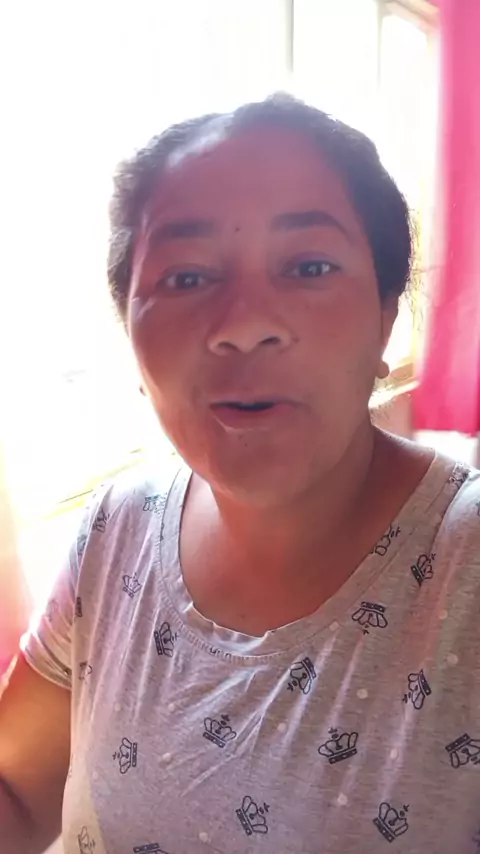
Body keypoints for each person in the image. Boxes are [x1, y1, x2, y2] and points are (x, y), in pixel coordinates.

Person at [1, 94, 479, 854]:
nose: (244, 324)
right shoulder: (115, 529)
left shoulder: (465, 569)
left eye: (310, 267)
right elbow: (19, 790)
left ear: (386, 318)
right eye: (187, 278)